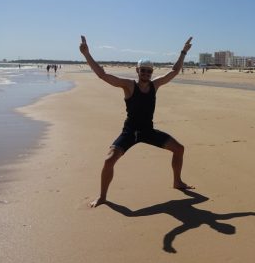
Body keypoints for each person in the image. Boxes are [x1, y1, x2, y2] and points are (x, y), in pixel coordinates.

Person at [80, 35, 194, 208]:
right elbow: (103, 75)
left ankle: (177, 182)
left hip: (148, 131)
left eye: (149, 71)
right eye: (143, 70)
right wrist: (87, 54)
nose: (146, 74)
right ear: (137, 70)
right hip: (130, 132)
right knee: (109, 160)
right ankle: (103, 196)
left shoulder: (155, 85)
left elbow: (174, 72)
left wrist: (183, 52)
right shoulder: (129, 85)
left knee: (179, 149)